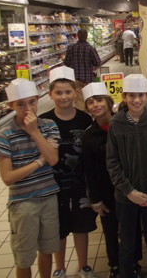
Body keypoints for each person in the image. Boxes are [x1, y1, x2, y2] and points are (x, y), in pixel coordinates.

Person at [0, 78, 60, 278]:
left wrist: (34, 131)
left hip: (48, 197)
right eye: (20, 104)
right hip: (22, 203)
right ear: (10, 106)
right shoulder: (5, 135)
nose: (27, 108)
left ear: (38, 100)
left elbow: (53, 159)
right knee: (24, 256)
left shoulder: (48, 126)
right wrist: (38, 163)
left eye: (31, 102)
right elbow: (8, 178)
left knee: (47, 249)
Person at [106, 74, 147, 278]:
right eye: (131, 95)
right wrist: (128, 191)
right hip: (125, 197)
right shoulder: (116, 123)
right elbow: (112, 162)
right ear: (124, 97)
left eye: (141, 95)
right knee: (127, 243)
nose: (136, 100)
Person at [39, 67, 97, 278]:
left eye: (68, 92)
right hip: (53, 184)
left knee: (81, 225)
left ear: (75, 93)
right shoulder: (43, 121)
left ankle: (83, 266)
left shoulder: (84, 120)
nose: (64, 97)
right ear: (50, 95)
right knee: (58, 227)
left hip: (80, 182)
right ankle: (60, 267)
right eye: (58, 92)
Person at [82, 83, 143, 278]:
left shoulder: (124, 124)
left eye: (99, 100)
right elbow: (89, 170)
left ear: (109, 102)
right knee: (109, 231)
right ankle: (114, 266)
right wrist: (95, 199)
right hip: (106, 191)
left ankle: (134, 263)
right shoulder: (89, 135)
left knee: (131, 227)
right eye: (90, 103)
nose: (95, 105)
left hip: (128, 187)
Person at [63, 28, 101, 111]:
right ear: (86, 37)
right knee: (89, 97)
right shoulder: (90, 48)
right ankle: (89, 115)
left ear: (77, 36)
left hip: (75, 77)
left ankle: (81, 116)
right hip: (88, 78)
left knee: (79, 99)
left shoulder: (71, 48)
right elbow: (97, 62)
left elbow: (66, 62)